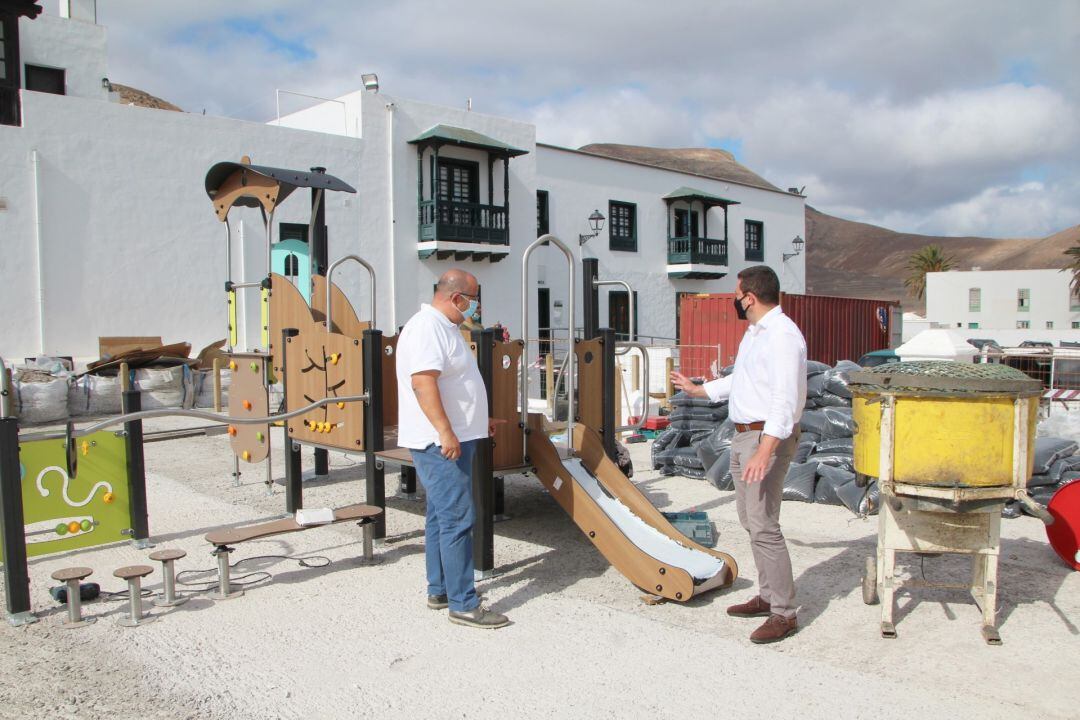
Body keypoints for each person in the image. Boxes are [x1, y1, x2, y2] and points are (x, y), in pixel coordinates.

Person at [671, 265, 806, 643]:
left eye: (737, 292)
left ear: (749, 296)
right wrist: (702, 391)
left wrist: (766, 449)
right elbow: (743, 379)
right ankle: (767, 596)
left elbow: (784, 398)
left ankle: (784, 612)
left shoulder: (781, 336)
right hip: (745, 435)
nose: (734, 298)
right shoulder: (756, 335)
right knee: (749, 518)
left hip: (765, 436)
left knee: (763, 523)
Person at [396, 269, 509, 629]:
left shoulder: (445, 327)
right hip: (438, 442)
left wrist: (479, 421)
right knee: (459, 517)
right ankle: (463, 603)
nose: (476, 306)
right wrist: (445, 432)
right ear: (456, 297)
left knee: (440, 515)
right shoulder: (427, 327)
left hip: (456, 435)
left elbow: (455, 382)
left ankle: (440, 588)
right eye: (473, 299)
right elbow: (423, 383)